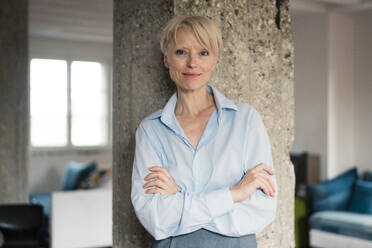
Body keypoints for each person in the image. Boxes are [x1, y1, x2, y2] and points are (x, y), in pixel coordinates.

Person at [131, 15, 277, 248]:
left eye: (203, 53)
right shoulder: (150, 130)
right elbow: (155, 219)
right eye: (181, 52)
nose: (192, 63)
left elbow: (261, 210)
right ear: (167, 59)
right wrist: (233, 194)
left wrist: (180, 198)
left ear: (215, 59)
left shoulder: (246, 120)